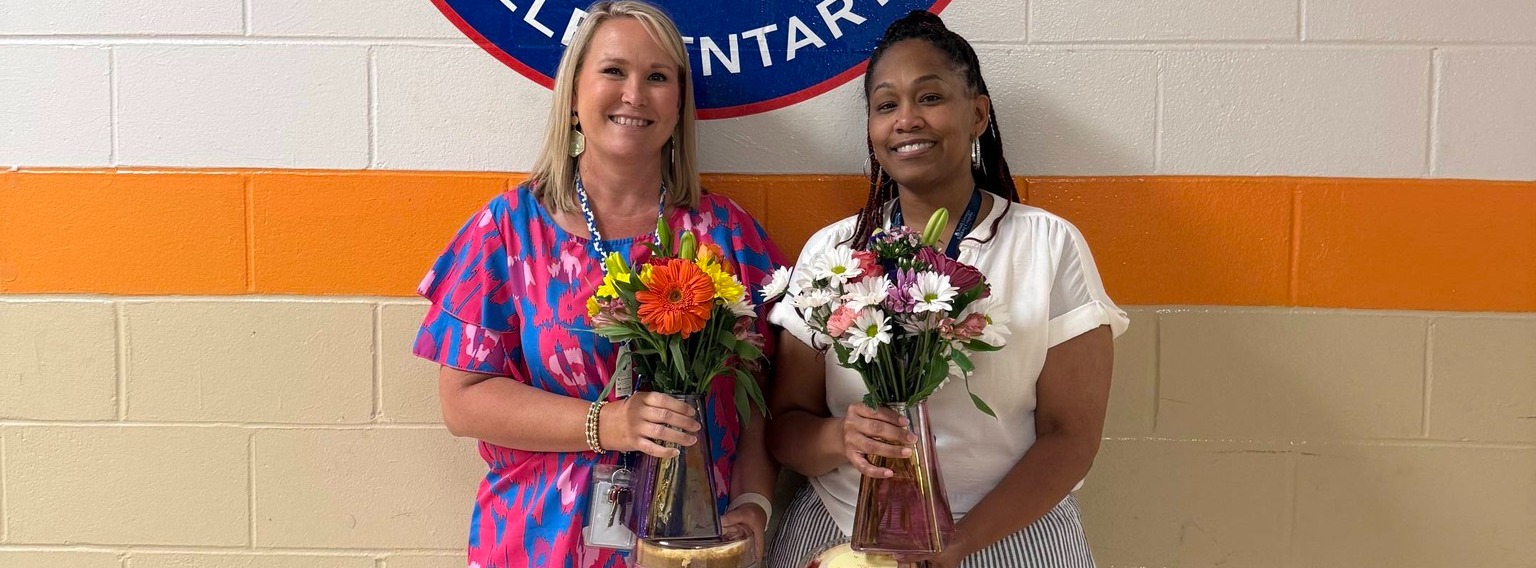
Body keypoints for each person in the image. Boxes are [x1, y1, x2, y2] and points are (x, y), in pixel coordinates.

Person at [412, 2, 785, 566]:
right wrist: (606, 423)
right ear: (573, 93)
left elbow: (760, 394)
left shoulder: (726, 235)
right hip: (540, 542)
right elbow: (462, 402)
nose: (634, 94)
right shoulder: (507, 231)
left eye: (657, 77)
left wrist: (754, 501)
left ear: (679, 102)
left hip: (690, 546)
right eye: (614, 71)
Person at [764, 10, 1128, 568]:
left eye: (930, 98)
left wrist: (957, 543)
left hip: (1006, 533)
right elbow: (785, 427)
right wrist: (840, 438)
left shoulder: (1048, 245)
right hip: (845, 529)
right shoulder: (832, 254)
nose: (907, 120)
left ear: (978, 113)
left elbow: (1070, 436)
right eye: (886, 105)